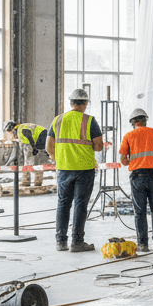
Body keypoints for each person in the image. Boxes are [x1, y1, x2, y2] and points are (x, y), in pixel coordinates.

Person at [48, 88, 105, 252]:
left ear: (71, 103)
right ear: (85, 104)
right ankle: (77, 242)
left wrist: (57, 158)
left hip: (64, 168)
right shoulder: (89, 121)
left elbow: (49, 146)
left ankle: (61, 242)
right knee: (80, 205)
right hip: (84, 169)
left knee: (63, 204)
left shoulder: (58, 120)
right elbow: (99, 146)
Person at [120, 108, 153, 252]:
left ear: (133, 123)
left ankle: (143, 244)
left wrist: (134, 160)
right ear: (145, 120)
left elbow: (123, 160)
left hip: (138, 177)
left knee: (139, 211)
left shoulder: (129, 136)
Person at [4, 121, 50, 187]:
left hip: (41, 137)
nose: (11, 134)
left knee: (29, 162)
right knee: (33, 163)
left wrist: (34, 148)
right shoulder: (20, 129)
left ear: (12, 128)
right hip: (39, 137)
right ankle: (35, 181)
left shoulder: (22, 129)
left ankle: (27, 181)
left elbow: (30, 137)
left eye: (11, 132)